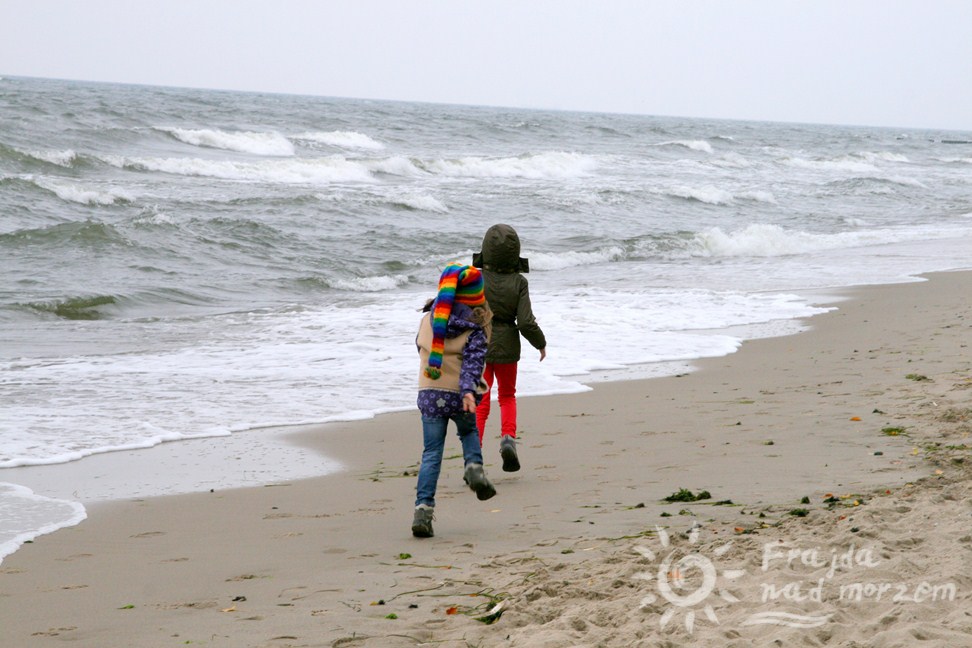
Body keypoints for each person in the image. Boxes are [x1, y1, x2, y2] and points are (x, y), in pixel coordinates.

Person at [412, 262, 497, 538]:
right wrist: (468, 391)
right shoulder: (473, 328)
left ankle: (423, 511)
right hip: (460, 395)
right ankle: (473, 467)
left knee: (431, 454)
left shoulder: (427, 320)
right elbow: (473, 364)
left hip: (429, 393)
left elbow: (418, 348)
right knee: (469, 430)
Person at [472, 224, 547, 473]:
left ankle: (474, 456)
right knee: (507, 395)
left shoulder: (476, 279)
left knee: (481, 399)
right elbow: (525, 321)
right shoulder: (519, 282)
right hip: (508, 344)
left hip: (480, 343)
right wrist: (540, 343)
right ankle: (507, 439)